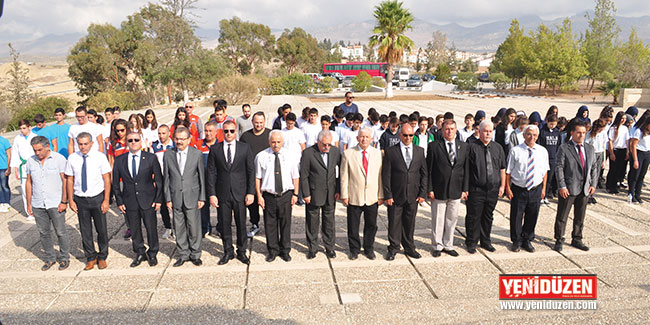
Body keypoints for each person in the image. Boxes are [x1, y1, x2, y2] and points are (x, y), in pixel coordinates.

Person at [207, 121, 255, 265]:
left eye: (231, 131)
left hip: (240, 192)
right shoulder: (215, 149)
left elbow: (251, 171)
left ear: (236, 132)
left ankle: (242, 251)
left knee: (241, 224)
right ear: (222, 132)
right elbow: (210, 173)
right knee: (225, 225)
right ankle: (228, 251)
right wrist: (212, 194)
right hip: (222, 194)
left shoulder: (244, 148)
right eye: (226, 131)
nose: (229, 134)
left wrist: (250, 192)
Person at [113, 132, 163, 268]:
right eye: (130, 140)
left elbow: (158, 180)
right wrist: (119, 201)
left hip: (148, 199)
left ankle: (152, 253)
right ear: (127, 143)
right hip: (130, 201)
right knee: (134, 229)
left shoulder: (151, 158)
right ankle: (139, 252)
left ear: (141, 142)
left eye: (136, 140)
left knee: (151, 228)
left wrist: (158, 199)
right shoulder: (120, 160)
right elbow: (116, 183)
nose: (133, 142)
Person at [65, 132, 111, 270]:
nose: (83, 147)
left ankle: (102, 256)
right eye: (80, 144)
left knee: (101, 229)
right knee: (85, 230)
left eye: (85, 144)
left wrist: (106, 200)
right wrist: (70, 200)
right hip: (81, 199)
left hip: (97, 197)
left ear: (91, 143)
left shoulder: (100, 157)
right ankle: (90, 257)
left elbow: (107, 179)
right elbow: (70, 180)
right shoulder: (73, 158)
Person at [25, 136, 70, 271]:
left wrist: (64, 201)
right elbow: (29, 182)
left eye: (39, 150)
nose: (37, 153)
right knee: (43, 232)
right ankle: (50, 258)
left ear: (47, 147)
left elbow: (65, 181)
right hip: (38, 202)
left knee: (60, 232)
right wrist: (29, 203)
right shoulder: (31, 161)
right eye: (35, 150)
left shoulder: (59, 159)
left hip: (55, 202)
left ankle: (64, 257)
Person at [382, 124, 427, 260]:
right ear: (400, 135)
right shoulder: (391, 152)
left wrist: (422, 193)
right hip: (396, 195)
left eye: (411, 135)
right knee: (394, 222)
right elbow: (386, 175)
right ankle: (393, 247)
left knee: (410, 222)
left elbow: (424, 174)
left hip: (413, 195)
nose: (408, 138)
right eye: (405, 135)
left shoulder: (420, 151)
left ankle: (409, 247)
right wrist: (388, 195)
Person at [553, 120, 599, 252]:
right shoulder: (564, 148)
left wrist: (593, 184)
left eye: (584, 133)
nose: (581, 135)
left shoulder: (590, 148)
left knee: (580, 215)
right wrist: (562, 186)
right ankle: (559, 238)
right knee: (562, 215)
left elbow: (594, 167)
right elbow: (559, 167)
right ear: (572, 133)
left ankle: (577, 238)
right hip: (569, 188)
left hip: (584, 188)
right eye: (578, 133)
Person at [163, 127, 206, 267]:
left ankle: (195, 254)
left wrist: (202, 197)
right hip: (176, 196)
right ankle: (183, 254)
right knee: (179, 227)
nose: (179, 142)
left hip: (192, 196)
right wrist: (168, 198)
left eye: (182, 139)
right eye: (177, 139)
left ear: (189, 139)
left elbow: (201, 177)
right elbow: (167, 178)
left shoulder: (197, 154)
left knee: (194, 227)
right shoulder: (168, 154)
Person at [255, 130, 300, 262]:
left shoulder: (290, 156)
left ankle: (285, 250)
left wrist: (296, 194)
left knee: (285, 224)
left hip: (286, 194)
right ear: (269, 142)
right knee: (270, 224)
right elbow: (258, 178)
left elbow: (295, 177)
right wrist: (259, 196)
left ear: (283, 142)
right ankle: (272, 250)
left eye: (278, 142)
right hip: (269, 195)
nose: (276, 145)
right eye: (273, 142)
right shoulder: (261, 156)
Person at [426, 120, 468, 257]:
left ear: (456, 130)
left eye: (452, 129)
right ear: (442, 130)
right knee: (438, 218)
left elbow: (466, 169)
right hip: (439, 189)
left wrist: (465, 189)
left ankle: (448, 244)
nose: (449, 131)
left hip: (456, 189)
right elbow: (429, 170)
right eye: (447, 129)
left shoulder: (464, 146)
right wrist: (429, 188)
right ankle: (437, 245)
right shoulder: (434, 146)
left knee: (452, 218)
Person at [340, 128, 384, 260]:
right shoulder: (348, 153)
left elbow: (380, 175)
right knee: (353, 225)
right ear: (357, 138)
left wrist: (381, 194)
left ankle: (369, 248)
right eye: (362, 137)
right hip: (354, 195)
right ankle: (354, 249)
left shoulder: (377, 154)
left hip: (372, 196)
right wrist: (344, 194)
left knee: (371, 225)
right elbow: (344, 176)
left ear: (371, 139)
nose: (364, 139)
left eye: (367, 137)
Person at [505, 125, 549, 252]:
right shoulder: (515, 151)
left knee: (532, 215)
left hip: (535, 188)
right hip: (519, 189)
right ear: (524, 135)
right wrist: (508, 188)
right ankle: (516, 240)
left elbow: (545, 171)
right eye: (529, 134)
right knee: (516, 216)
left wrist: (543, 189)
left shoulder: (542, 151)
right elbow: (508, 171)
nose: (532, 137)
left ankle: (527, 239)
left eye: (535, 135)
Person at [465, 120, 506, 253]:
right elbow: (466, 170)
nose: (488, 134)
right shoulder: (471, 147)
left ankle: (485, 241)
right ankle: (471, 241)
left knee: (488, 216)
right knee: (474, 216)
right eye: (485, 131)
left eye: (490, 131)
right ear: (479, 131)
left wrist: (502, 186)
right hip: (476, 189)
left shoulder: (498, 148)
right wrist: (465, 189)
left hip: (492, 189)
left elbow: (502, 168)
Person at [300, 130, 341, 259]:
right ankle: (312, 248)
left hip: (330, 193)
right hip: (314, 193)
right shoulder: (308, 153)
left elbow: (340, 172)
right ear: (317, 142)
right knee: (312, 221)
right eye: (324, 145)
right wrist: (306, 193)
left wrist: (338, 190)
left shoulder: (335, 151)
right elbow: (304, 175)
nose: (327, 147)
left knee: (329, 222)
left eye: (329, 144)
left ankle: (329, 247)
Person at [239, 112, 271, 237]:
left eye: (261, 122)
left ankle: (270, 225)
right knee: (252, 202)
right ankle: (255, 223)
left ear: (264, 122)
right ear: (252, 122)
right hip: (250, 174)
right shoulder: (246, 136)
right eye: (256, 122)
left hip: (267, 175)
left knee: (268, 202)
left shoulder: (270, 134)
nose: (258, 125)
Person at [195, 121, 220, 237]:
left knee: (220, 205)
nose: (208, 133)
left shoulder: (221, 145)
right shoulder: (198, 145)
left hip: (218, 180)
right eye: (206, 131)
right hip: (203, 181)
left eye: (210, 131)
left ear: (215, 132)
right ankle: (205, 228)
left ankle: (220, 228)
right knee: (203, 206)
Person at [151, 125, 175, 239]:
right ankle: (168, 227)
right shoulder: (154, 146)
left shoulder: (174, 145)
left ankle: (176, 227)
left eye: (163, 133)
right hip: (160, 178)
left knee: (175, 204)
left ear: (169, 133)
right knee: (163, 206)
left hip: (173, 178)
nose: (161, 136)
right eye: (159, 133)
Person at [10, 119, 37, 220]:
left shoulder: (34, 137)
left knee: (36, 188)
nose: (22, 130)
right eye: (20, 128)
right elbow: (15, 153)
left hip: (34, 164)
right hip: (23, 166)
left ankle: (39, 210)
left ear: (29, 127)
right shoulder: (17, 138)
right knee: (25, 190)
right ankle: (29, 212)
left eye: (24, 128)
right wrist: (16, 168)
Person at [627, 111, 650, 204]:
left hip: (647, 153)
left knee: (641, 176)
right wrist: (635, 159)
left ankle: (638, 194)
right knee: (635, 175)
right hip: (638, 153)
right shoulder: (638, 131)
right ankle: (631, 194)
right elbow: (633, 145)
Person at [537, 114, 560, 203]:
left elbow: (558, 145)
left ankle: (545, 195)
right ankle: (540, 196)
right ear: (547, 122)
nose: (552, 126)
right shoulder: (542, 131)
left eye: (554, 124)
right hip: (543, 158)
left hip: (553, 158)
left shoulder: (557, 132)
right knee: (542, 178)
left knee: (549, 179)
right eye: (551, 124)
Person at [584, 119, 607, 204]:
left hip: (599, 153)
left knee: (596, 175)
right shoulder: (589, 134)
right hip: (591, 154)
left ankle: (592, 194)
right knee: (589, 174)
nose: (602, 130)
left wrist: (604, 160)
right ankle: (586, 193)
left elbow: (603, 146)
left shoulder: (603, 134)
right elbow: (586, 146)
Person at [605, 112, 628, 194]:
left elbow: (626, 141)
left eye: (625, 118)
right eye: (622, 118)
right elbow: (610, 141)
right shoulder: (613, 128)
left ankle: (615, 185)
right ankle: (609, 185)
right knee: (613, 169)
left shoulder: (625, 128)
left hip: (623, 150)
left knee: (619, 169)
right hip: (615, 150)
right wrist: (611, 153)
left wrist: (627, 152)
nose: (623, 120)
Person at [0, 135, 11, 213]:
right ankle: (1, 202)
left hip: (3, 166)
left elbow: (9, 155)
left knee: (4, 185)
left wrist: (8, 167)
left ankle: (7, 202)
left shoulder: (4, 141)